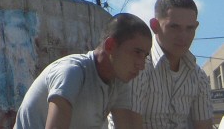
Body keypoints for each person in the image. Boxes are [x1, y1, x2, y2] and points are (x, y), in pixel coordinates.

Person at [13, 12, 152, 129]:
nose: (141, 65)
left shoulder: (118, 82)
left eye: (145, 56)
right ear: (110, 46)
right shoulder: (71, 72)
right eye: (137, 52)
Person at [130, 0, 214, 129]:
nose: (183, 36)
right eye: (174, 27)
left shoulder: (198, 77)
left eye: (189, 28)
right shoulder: (136, 68)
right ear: (155, 26)